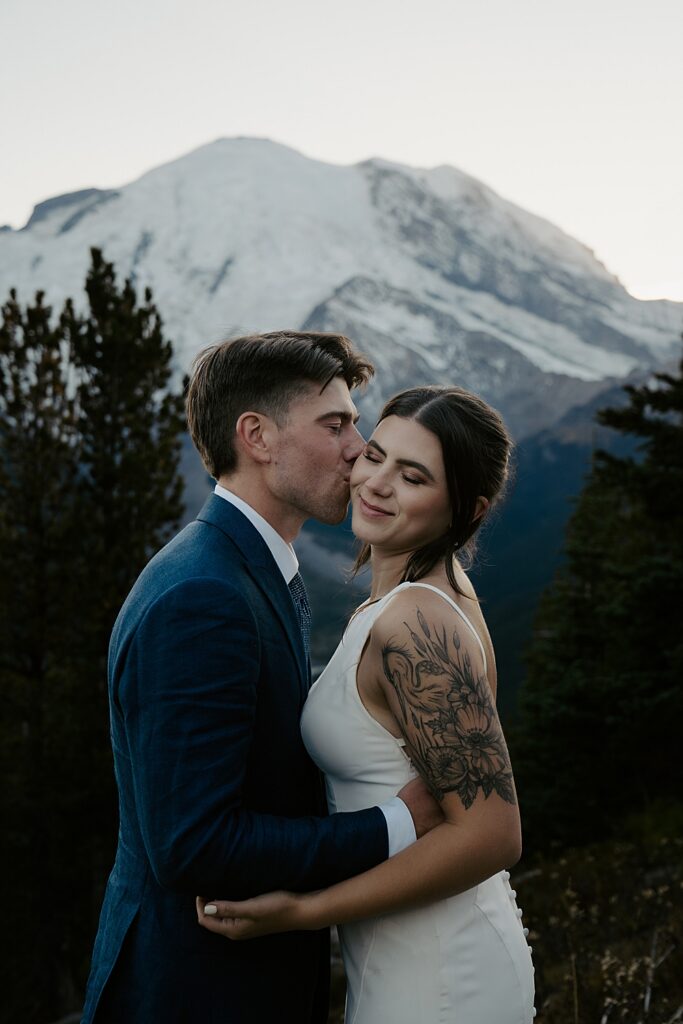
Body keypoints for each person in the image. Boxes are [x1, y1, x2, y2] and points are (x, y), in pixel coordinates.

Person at [81, 333, 442, 1024]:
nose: (357, 449)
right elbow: (195, 844)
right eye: (334, 424)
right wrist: (398, 821)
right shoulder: (204, 595)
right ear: (257, 437)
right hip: (197, 992)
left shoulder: (245, 567)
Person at [198, 385, 536, 1023]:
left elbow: (494, 834)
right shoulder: (435, 595)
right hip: (412, 952)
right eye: (374, 456)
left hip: (438, 970)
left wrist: (305, 912)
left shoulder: (413, 621)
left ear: (467, 509)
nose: (376, 484)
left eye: (412, 477)